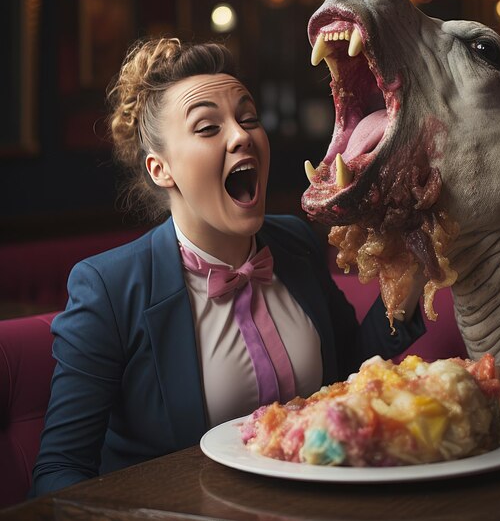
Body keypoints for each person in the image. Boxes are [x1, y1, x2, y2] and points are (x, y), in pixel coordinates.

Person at [31, 38, 425, 495]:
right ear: (161, 169)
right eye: (207, 128)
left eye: (248, 118)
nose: (241, 135)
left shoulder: (294, 242)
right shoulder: (108, 288)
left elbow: (349, 366)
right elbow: (59, 472)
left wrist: (411, 266)